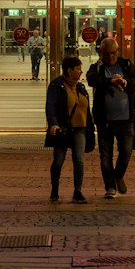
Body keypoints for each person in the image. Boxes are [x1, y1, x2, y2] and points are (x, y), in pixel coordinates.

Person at [87, 36, 135, 198]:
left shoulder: (126, 65)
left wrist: (125, 82)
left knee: (126, 151)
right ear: (100, 53)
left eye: (113, 53)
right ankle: (110, 187)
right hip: (105, 121)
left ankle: (118, 175)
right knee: (105, 156)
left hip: (126, 119)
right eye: (106, 54)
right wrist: (110, 81)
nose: (110, 57)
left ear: (118, 52)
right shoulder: (97, 68)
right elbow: (91, 80)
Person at [45, 55, 94, 203]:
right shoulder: (56, 85)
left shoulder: (80, 86)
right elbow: (50, 106)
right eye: (78, 68)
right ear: (69, 70)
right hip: (63, 129)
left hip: (80, 129)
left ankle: (77, 191)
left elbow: (86, 109)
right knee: (58, 161)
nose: (81, 71)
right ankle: (55, 189)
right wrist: (53, 123)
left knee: (79, 160)